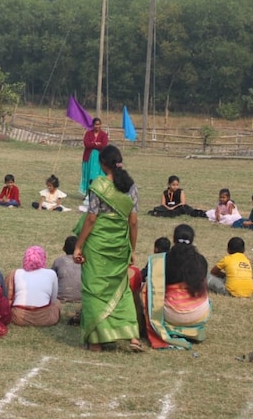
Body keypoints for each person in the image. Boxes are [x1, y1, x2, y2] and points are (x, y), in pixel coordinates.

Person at [73, 145, 143, 352]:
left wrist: (79, 246)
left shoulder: (99, 185)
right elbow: (133, 222)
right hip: (120, 245)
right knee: (121, 289)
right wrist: (133, 249)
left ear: (103, 164)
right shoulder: (132, 188)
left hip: (97, 245)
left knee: (94, 289)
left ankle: (96, 341)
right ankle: (132, 336)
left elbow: (91, 218)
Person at [142, 225, 211, 349]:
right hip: (199, 314)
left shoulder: (163, 261)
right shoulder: (201, 260)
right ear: (192, 240)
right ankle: (190, 330)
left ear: (173, 240)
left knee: (148, 289)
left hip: (172, 314)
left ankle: (169, 328)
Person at [6, 246, 61, 326]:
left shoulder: (15, 273)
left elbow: (7, 297)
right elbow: (53, 300)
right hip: (45, 318)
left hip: (18, 317)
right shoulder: (51, 274)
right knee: (57, 303)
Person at [79, 117, 108, 197]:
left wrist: (92, 144)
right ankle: (87, 194)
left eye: (98, 124)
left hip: (99, 159)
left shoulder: (103, 135)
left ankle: (97, 193)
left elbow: (103, 146)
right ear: (93, 125)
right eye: (95, 124)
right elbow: (86, 144)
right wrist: (96, 144)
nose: (97, 126)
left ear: (101, 125)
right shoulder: (88, 133)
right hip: (88, 158)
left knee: (97, 176)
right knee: (88, 175)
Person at [52, 236, 82, 303]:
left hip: (60, 298)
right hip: (82, 297)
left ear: (64, 248)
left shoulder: (58, 261)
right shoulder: (83, 261)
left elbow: (52, 279)